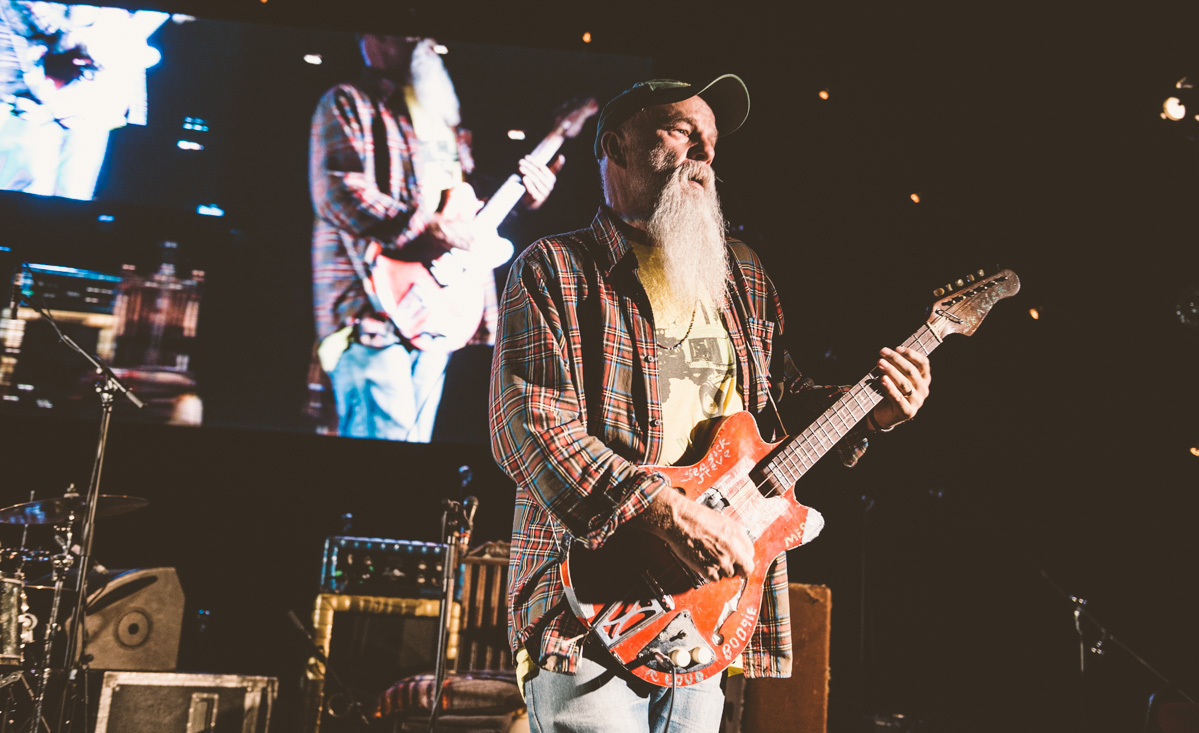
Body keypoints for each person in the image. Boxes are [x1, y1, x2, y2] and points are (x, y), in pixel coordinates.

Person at [488, 75, 932, 732]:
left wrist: (868, 409)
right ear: (616, 145)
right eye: (681, 129)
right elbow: (529, 427)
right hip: (592, 597)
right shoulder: (555, 269)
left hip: (707, 606)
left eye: (713, 141)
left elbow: (775, 415)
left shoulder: (742, 276)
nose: (705, 152)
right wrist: (663, 510)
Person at [310, 34, 563, 441]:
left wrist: (522, 202)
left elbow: (465, 213)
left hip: (437, 310)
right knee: (380, 458)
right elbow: (338, 192)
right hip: (371, 308)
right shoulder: (348, 103)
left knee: (410, 452)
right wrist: (428, 230)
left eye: (425, 35)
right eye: (407, 33)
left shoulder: (445, 121)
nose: (421, 41)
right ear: (371, 41)